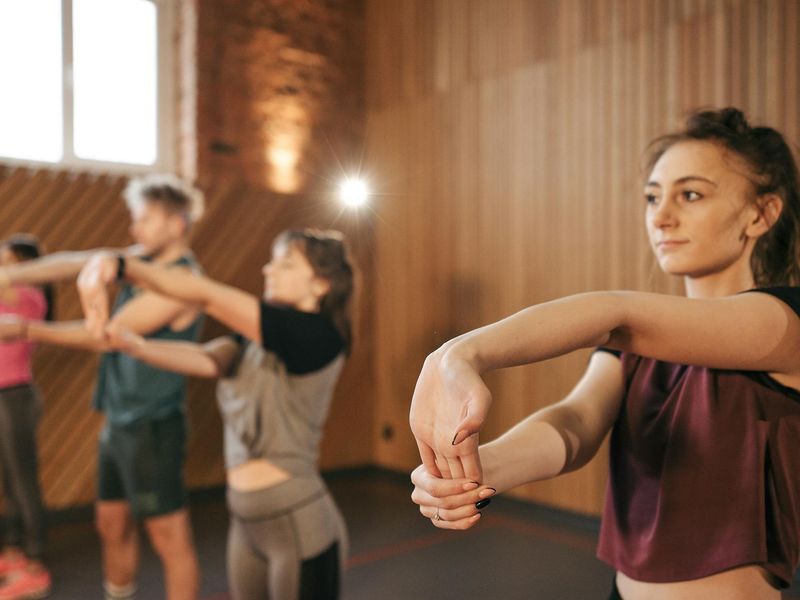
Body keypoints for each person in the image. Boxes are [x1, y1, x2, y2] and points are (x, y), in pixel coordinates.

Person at [408, 107, 800, 600]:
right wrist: (475, 472)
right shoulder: (637, 345)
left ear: (762, 214)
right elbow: (576, 423)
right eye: (652, 197)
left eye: (690, 194)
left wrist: (457, 355)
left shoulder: (784, 320)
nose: (661, 216)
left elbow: (616, 313)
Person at [77, 228, 355, 600]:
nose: (268, 269)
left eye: (285, 264)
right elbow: (207, 359)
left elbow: (207, 296)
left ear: (321, 284)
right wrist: (136, 347)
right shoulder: (254, 338)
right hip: (245, 524)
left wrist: (122, 265)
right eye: (272, 261)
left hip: (298, 522)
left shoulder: (319, 336)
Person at [0, 174, 205, 600]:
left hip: (153, 425)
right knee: (111, 524)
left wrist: (22, 328)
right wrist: (9, 275)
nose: (135, 228)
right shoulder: (137, 263)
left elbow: (108, 335)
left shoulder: (184, 281)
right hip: (118, 421)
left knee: (169, 536)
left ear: (177, 224)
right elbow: (73, 263)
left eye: (145, 219)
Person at [0, 235, 54, 599]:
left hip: (16, 395)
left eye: (7, 260)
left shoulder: (30, 296)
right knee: (8, 479)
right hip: (3, 395)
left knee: (23, 479)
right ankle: (14, 551)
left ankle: (35, 563)